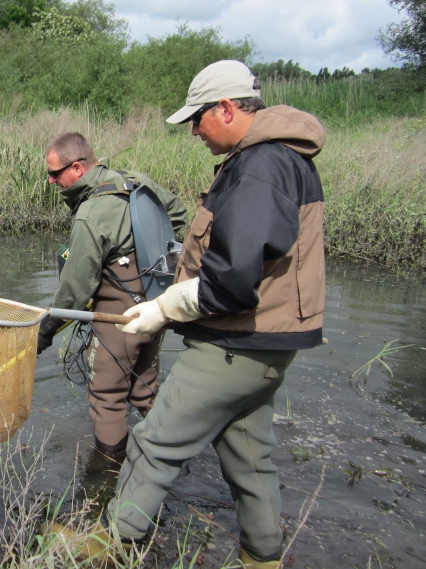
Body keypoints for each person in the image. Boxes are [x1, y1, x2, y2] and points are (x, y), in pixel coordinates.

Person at [46, 61, 326, 569]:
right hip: (270, 341)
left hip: (237, 341)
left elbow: (234, 278)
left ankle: (112, 542)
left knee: (153, 444)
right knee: (249, 454)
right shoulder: (279, 158)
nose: (194, 130)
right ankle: (262, 558)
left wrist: (164, 306)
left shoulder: (260, 166)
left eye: (198, 117)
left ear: (225, 107)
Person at [38, 132, 187, 460]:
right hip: (156, 308)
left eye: (54, 173)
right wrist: (142, 247)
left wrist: (44, 332)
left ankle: (107, 478)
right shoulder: (136, 180)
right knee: (144, 388)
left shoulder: (91, 215)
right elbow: (177, 214)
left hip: (119, 316)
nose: (50, 181)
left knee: (106, 395)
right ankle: (173, 456)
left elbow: (73, 294)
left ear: (77, 168)